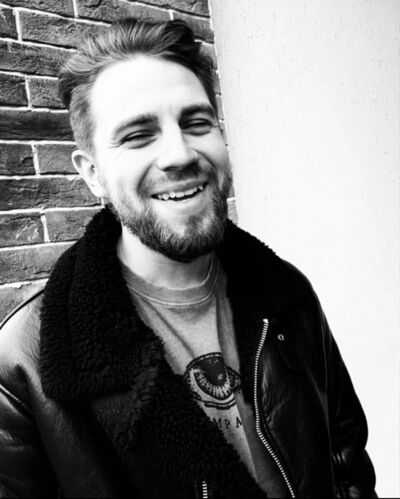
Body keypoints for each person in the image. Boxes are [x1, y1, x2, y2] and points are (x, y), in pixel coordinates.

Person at [0, 18, 376, 498]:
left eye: (197, 123)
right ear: (92, 174)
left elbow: (346, 459)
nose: (179, 154)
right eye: (138, 135)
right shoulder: (26, 362)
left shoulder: (289, 295)